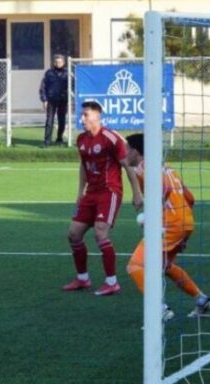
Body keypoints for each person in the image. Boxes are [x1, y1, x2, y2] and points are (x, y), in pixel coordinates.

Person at [124, 133, 210, 320]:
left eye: (127, 149)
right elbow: (190, 198)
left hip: (170, 224)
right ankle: (201, 300)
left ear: (136, 151)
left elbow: (160, 194)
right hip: (185, 221)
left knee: (135, 266)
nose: (125, 153)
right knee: (165, 265)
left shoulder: (142, 169)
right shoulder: (167, 168)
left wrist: (152, 220)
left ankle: (159, 309)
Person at [62, 101, 143, 296]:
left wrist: (137, 193)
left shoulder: (110, 138)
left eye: (86, 115)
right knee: (73, 234)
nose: (82, 118)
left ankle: (112, 282)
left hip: (109, 192)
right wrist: (80, 193)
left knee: (100, 233)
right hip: (91, 193)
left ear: (97, 116)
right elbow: (83, 166)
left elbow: (128, 166)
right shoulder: (81, 139)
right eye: (81, 115)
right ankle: (83, 278)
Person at [39, 54, 70, 147]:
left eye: (60, 62)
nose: (58, 63)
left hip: (63, 100)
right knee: (49, 121)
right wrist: (44, 100)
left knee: (62, 120)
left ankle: (59, 139)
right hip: (51, 100)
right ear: (54, 63)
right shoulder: (49, 73)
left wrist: (71, 99)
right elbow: (43, 87)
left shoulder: (68, 73)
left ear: (63, 62)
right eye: (56, 62)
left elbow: (72, 86)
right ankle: (47, 141)